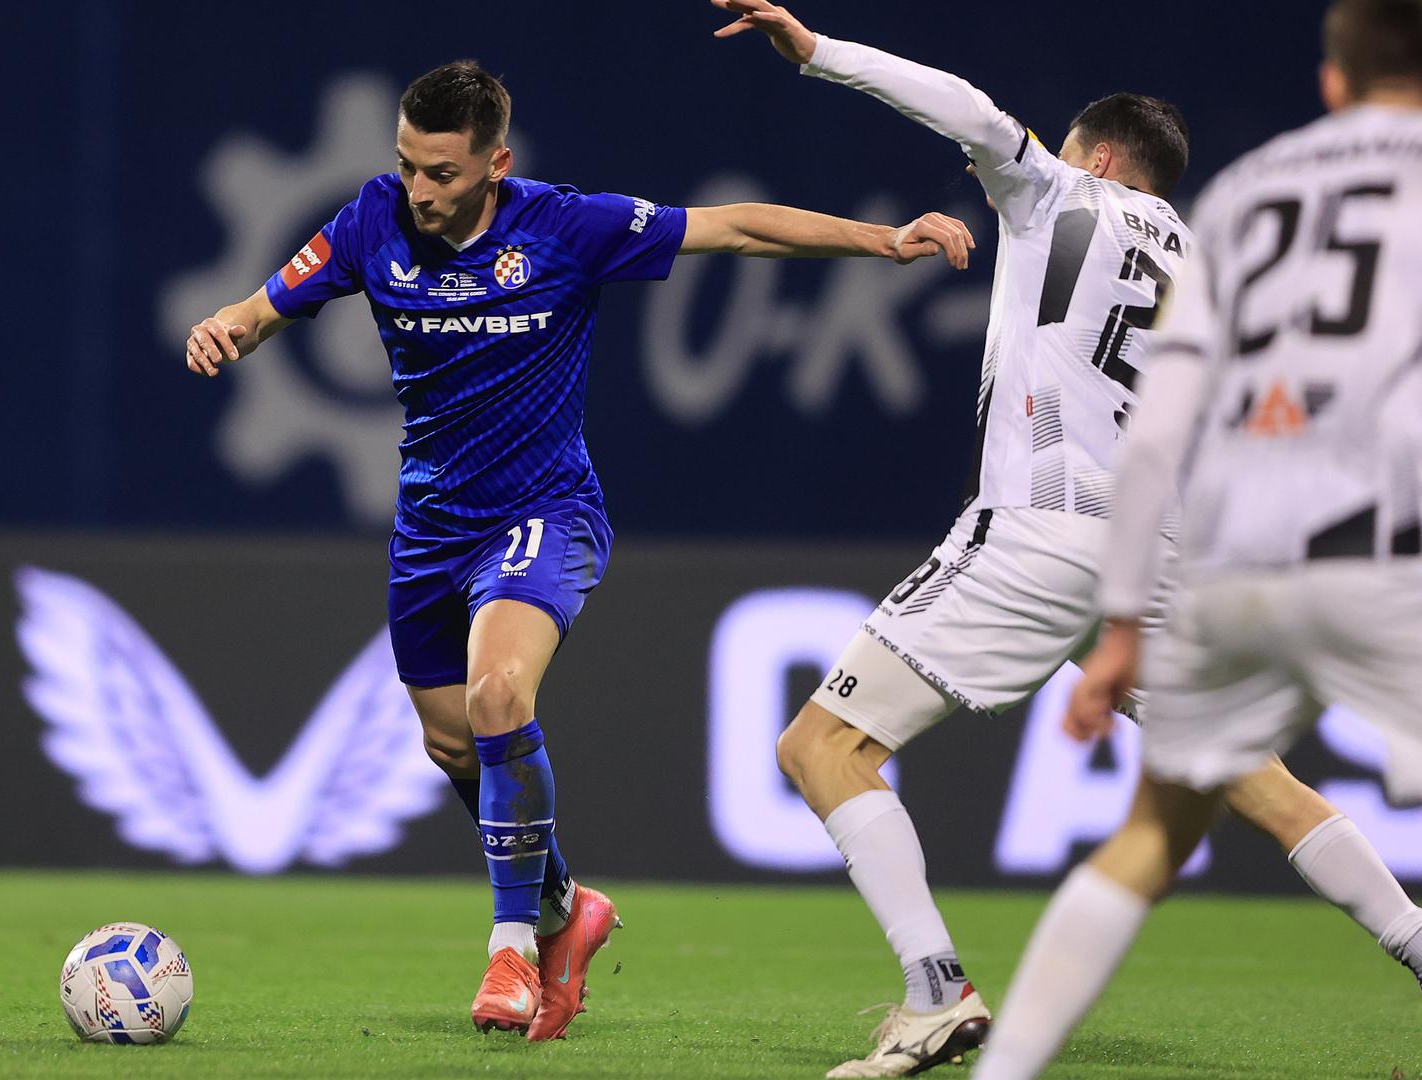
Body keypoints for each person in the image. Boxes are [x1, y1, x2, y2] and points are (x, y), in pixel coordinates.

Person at [184, 60, 975, 1040]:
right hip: (430, 527)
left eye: (440, 172)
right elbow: (265, 307)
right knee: (450, 743)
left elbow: (732, 227)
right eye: (407, 165)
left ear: (495, 164)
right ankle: (566, 906)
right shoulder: (368, 221)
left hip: (544, 512)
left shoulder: (565, 226)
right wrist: (226, 327)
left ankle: (511, 947)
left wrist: (882, 241)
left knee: (498, 696)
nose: (418, 190)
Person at [713, 2, 1422, 1075]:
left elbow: (966, 109)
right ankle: (1412, 937)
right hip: (1164, 554)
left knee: (820, 749)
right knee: (1261, 782)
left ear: (1096, 154)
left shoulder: (1058, 192)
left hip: (1040, 524)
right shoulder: (1212, 262)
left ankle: (935, 993)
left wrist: (816, 53)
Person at [971, 0, 1422, 1074]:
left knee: (1154, 831)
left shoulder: (1244, 198)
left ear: (1331, 81)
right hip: (1390, 544)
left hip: (1253, 545)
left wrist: (1123, 623)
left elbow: (1163, 426)